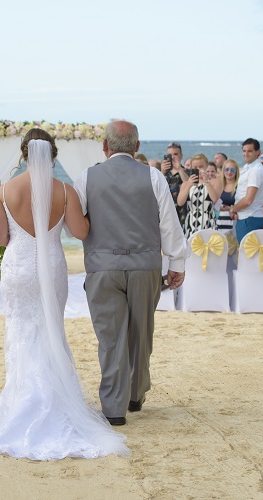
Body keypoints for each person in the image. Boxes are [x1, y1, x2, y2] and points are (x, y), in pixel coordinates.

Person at [0, 128, 128, 460]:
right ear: (53, 155)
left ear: (24, 154)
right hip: (52, 267)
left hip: (18, 269)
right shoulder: (64, 190)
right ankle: (53, 400)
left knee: (20, 332)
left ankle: (22, 400)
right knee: (51, 331)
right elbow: (81, 231)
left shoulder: (4, 190)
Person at [76, 120, 187, 426]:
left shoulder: (87, 177)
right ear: (137, 147)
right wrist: (176, 263)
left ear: (104, 146)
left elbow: (76, 225)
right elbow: (169, 223)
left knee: (111, 338)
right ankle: (136, 394)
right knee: (141, 332)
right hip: (145, 267)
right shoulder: (153, 176)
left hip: (102, 269)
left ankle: (114, 407)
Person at [177, 153, 222, 238]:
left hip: (208, 222)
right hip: (191, 223)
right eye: (195, 168)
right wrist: (189, 185)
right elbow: (180, 202)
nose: (198, 169)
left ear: (207, 166)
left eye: (200, 166)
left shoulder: (215, 181)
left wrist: (206, 181)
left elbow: (215, 199)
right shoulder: (186, 183)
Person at [231, 138, 263, 243]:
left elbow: (248, 200)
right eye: (244, 151)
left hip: (250, 219)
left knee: (248, 256)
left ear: (258, 152)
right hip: (245, 218)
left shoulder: (256, 170)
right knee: (244, 255)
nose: (246, 154)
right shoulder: (248, 168)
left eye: (250, 151)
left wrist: (233, 209)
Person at [160, 142, 188, 224]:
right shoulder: (161, 172)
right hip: (165, 214)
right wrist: (162, 172)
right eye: (170, 155)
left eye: (175, 154)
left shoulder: (186, 172)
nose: (172, 157)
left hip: (182, 214)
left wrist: (179, 169)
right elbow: (155, 189)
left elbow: (189, 184)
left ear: (181, 156)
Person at [216, 159, 240, 231]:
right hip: (218, 220)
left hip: (233, 221)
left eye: (232, 170)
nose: (229, 172)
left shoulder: (239, 187)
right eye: (227, 169)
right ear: (223, 171)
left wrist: (230, 208)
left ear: (236, 172)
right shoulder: (218, 185)